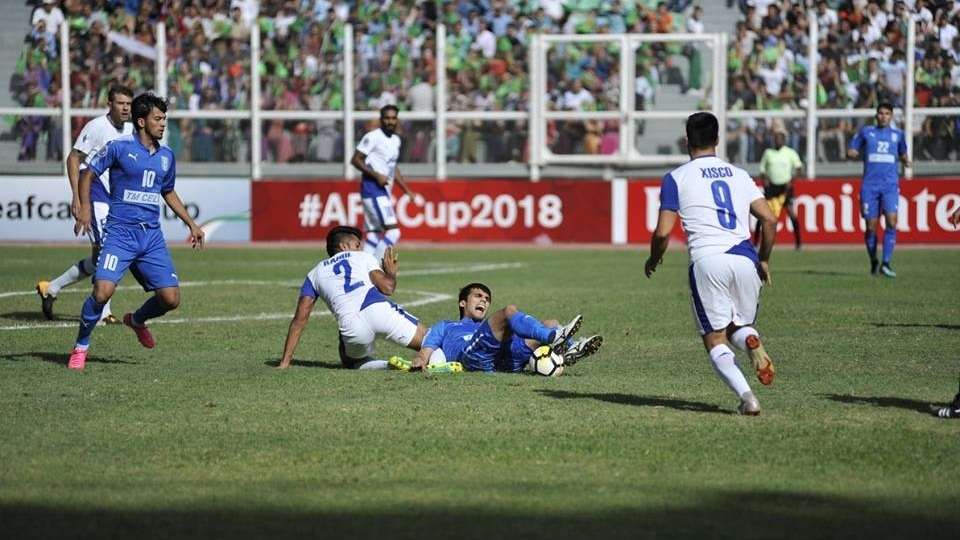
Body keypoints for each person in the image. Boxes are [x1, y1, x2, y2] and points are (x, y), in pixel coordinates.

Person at [645, 112, 778, 415]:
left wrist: (654, 258)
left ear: (687, 141)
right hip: (745, 258)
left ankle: (748, 399)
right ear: (718, 140)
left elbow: (663, 232)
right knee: (736, 327)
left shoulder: (676, 178)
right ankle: (751, 341)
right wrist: (765, 259)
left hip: (708, 261)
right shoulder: (740, 175)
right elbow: (770, 220)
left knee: (714, 338)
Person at [68, 93, 205, 371]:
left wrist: (191, 222)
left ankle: (137, 320)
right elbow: (87, 173)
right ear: (141, 121)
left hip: (151, 237)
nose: (163, 123)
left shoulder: (166, 156)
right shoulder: (118, 148)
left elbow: (167, 190)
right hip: (119, 233)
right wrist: (83, 207)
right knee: (102, 292)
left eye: (164, 118)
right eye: (158, 118)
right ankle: (81, 346)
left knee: (170, 299)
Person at [36, 85, 134, 322]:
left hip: (114, 196)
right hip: (94, 190)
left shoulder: (131, 129)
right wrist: (77, 197)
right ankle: (104, 312)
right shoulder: (97, 126)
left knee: (98, 256)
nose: (125, 108)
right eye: (120, 103)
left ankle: (51, 288)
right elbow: (73, 157)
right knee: (109, 249)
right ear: (109, 104)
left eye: (128, 104)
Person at [278, 225, 428, 371]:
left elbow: (299, 321)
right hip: (378, 311)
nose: (360, 249)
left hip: (352, 329)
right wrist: (391, 273)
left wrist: (284, 363)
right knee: (429, 340)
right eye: (357, 245)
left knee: (350, 361)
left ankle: (386, 365)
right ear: (343, 246)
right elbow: (387, 288)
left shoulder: (314, 273)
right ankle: (438, 360)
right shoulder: (363, 257)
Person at [407, 282, 602, 373]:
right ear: (462, 303)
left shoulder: (488, 325)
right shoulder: (447, 325)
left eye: (487, 299)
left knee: (550, 322)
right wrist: (421, 359)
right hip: (474, 356)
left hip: (505, 359)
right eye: (478, 296)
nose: (484, 300)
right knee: (509, 311)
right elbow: (427, 347)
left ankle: (571, 350)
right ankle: (554, 338)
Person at [847, 103, 911, 277]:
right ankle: (874, 261)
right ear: (876, 115)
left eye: (887, 113)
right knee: (871, 227)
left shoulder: (898, 135)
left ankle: (886, 263)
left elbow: (903, 152)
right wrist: (852, 152)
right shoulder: (866, 132)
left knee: (891, 221)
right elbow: (852, 148)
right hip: (870, 186)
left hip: (890, 185)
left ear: (891, 116)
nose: (883, 116)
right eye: (881, 113)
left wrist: (906, 160)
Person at [350, 105, 418, 261]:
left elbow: (392, 167)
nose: (390, 121)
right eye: (387, 118)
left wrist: (406, 190)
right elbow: (356, 159)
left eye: (393, 118)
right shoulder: (373, 137)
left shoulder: (396, 140)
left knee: (373, 236)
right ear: (381, 119)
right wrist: (376, 175)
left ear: (397, 120)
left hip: (382, 192)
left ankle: (360, 267)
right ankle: (376, 267)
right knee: (394, 232)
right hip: (373, 189)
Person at [756, 130, 803, 250]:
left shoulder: (790, 153)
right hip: (771, 187)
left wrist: (791, 181)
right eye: (775, 139)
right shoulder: (768, 153)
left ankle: (798, 244)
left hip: (785, 187)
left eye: (779, 139)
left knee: (792, 214)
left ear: (784, 140)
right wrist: (765, 179)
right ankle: (755, 243)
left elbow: (799, 168)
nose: (777, 141)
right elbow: (762, 169)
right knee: (763, 215)